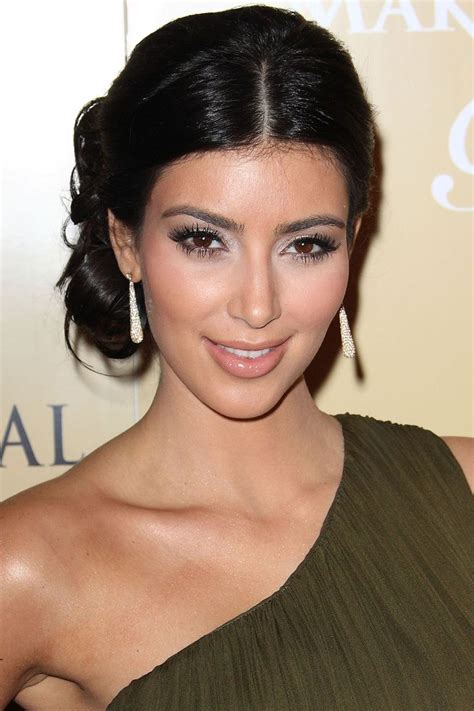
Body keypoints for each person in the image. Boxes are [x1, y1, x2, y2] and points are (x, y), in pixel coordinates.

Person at [1, 5, 472, 710]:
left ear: (352, 241)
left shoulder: (461, 492)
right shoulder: (28, 567)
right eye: (203, 240)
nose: (257, 305)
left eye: (306, 245)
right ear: (127, 242)